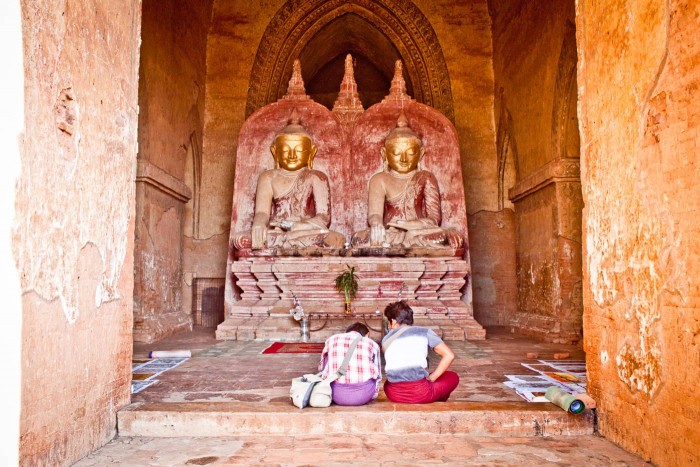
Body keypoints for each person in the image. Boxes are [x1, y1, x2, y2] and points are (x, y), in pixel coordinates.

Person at [232, 110, 344, 250]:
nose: (292, 155)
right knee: (241, 240)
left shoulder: (317, 177)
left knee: (336, 239)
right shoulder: (268, 177)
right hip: (277, 232)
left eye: (299, 151)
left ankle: (289, 244)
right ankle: (292, 245)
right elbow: (262, 213)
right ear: (275, 152)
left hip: (304, 230)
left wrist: (296, 225)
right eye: (285, 150)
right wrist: (259, 225)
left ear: (311, 153)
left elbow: (323, 217)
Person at [351, 111, 462, 249]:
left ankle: (405, 243)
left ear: (421, 153)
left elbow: (434, 219)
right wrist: (376, 225)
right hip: (390, 233)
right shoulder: (379, 179)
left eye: (410, 153)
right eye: (397, 153)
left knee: (444, 237)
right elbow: (374, 214)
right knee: (358, 239)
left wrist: (411, 225)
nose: (403, 159)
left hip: (417, 232)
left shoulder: (426, 177)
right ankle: (403, 244)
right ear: (384, 154)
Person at [381, 301, 459, 403]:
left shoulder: (386, 339)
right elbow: (449, 355)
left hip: (393, 394)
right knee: (452, 377)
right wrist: (432, 377)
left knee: (389, 382)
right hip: (420, 393)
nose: (389, 326)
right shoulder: (424, 332)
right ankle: (434, 401)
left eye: (388, 323)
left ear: (394, 321)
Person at [319, 322, 382, 406]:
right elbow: (378, 376)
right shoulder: (372, 344)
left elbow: (321, 368)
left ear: (347, 332)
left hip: (335, 394)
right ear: (367, 335)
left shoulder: (331, 340)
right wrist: (374, 394)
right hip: (363, 395)